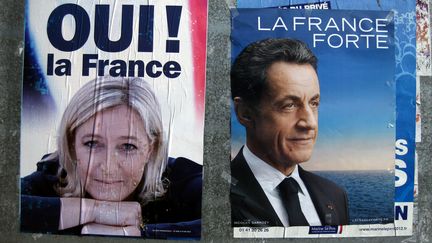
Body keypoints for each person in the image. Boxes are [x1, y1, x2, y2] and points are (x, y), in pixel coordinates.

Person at [21, 77, 202, 239]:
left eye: (128, 146)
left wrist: (141, 232)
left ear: (150, 150)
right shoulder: (55, 175)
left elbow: (228, 221)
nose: (108, 166)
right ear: (71, 145)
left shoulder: (181, 179)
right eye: (92, 144)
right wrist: (95, 211)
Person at [230, 38, 349, 227]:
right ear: (245, 113)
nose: (310, 123)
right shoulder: (215, 195)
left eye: (314, 103)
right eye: (289, 105)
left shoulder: (335, 195)